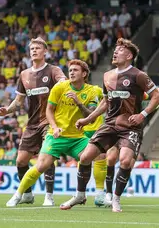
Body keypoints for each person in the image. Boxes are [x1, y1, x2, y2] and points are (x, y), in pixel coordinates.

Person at [61, 38, 159, 212]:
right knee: (85, 157)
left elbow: (157, 96)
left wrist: (142, 114)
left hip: (130, 126)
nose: (115, 52)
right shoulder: (107, 75)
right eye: (115, 50)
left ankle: (115, 198)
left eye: (120, 50)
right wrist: (87, 119)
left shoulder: (139, 75)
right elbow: (105, 102)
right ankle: (80, 194)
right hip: (109, 124)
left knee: (124, 160)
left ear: (129, 55)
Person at [6, 59, 100, 207]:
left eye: (75, 70)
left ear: (84, 74)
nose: (71, 72)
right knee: (41, 166)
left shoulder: (92, 91)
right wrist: (55, 127)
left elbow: (91, 114)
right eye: (70, 70)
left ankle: (82, 194)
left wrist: (78, 102)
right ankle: (18, 194)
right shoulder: (60, 87)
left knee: (92, 156)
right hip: (57, 135)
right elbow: (49, 110)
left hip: (77, 138)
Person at [0, 37, 66, 206]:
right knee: (20, 161)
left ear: (45, 51)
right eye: (32, 48)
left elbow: (64, 83)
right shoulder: (24, 74)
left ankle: (49, 196)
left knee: (47, 157)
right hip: (32, 123)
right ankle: (27, 194)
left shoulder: (53, 70)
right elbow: (18, 101)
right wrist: (7, 110)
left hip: (50, 121)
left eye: (37, 48)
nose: (34, 50)